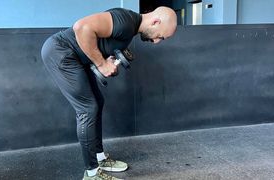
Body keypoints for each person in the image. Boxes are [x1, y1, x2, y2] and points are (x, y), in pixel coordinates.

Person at [41, 6, 177, 180]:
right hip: (61, 52)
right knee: (87, 109)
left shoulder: (130, 29)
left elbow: (97, 40)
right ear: (156, 22)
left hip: (74, 57)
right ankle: (91, 174)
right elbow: (82, 27)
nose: (157, 41)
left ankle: (99, 158)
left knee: (96, 102)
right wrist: (101, 64)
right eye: (160, 36)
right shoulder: (126, 21)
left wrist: (107, 60)